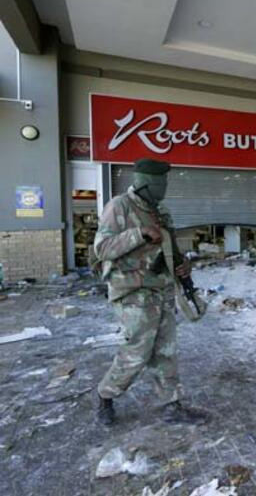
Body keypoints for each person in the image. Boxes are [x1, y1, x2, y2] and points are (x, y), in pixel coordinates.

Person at [93, 158, 206, 426]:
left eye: (166, 181)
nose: (165, 187)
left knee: (165, 351)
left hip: (161, 290)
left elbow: (171, 249)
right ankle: (105, 396)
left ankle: (171, 405)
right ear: (146, 183)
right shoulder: (119, 206)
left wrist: (181, 267)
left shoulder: (162, 211)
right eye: (160, 182)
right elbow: (103, 248)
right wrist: (140, 233)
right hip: (133, 291)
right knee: (137, 353)